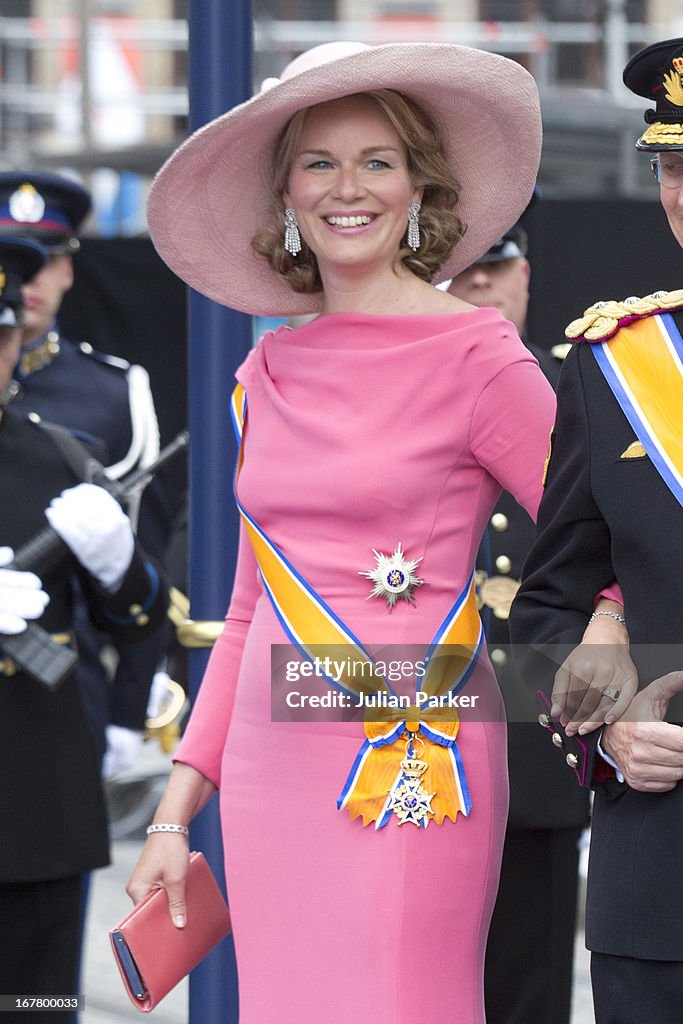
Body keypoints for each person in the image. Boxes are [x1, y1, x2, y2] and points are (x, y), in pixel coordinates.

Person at [126, 41, 622, 1024]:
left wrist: (610, 642)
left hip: (417, 751)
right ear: (285, 194)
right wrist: (173, 815)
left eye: (376, 161)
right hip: (272, 767)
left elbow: (601, 529)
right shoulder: (262, 376)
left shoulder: (476, 354)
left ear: (418, 188)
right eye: (318, 162)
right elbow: (241, 617)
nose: (345, 188)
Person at [509, 36, 683, 1024]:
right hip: (657, 886)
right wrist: (607, 727)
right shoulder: (613, 366)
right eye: (671, 166)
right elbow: (543, 612)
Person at [0, 236, 169, 1020]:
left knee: (34, 1005)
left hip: (37, 795)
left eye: (2, 337)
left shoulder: (64, 458)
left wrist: (118, 567)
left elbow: (133, 623)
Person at [448, 214, 589, 1024]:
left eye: (495, 266)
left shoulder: (582, 386)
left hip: (535, 732)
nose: (479, 283)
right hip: (410, 716)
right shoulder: (403, 394)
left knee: (527, 982)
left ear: (525, 274)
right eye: (460, 267)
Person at [0, 170, 172, 776]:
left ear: (69, 268)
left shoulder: (111, 392)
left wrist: (128, 710)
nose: (23, 282)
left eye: (41, 261)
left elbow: (138, 560)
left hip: (61, 685)